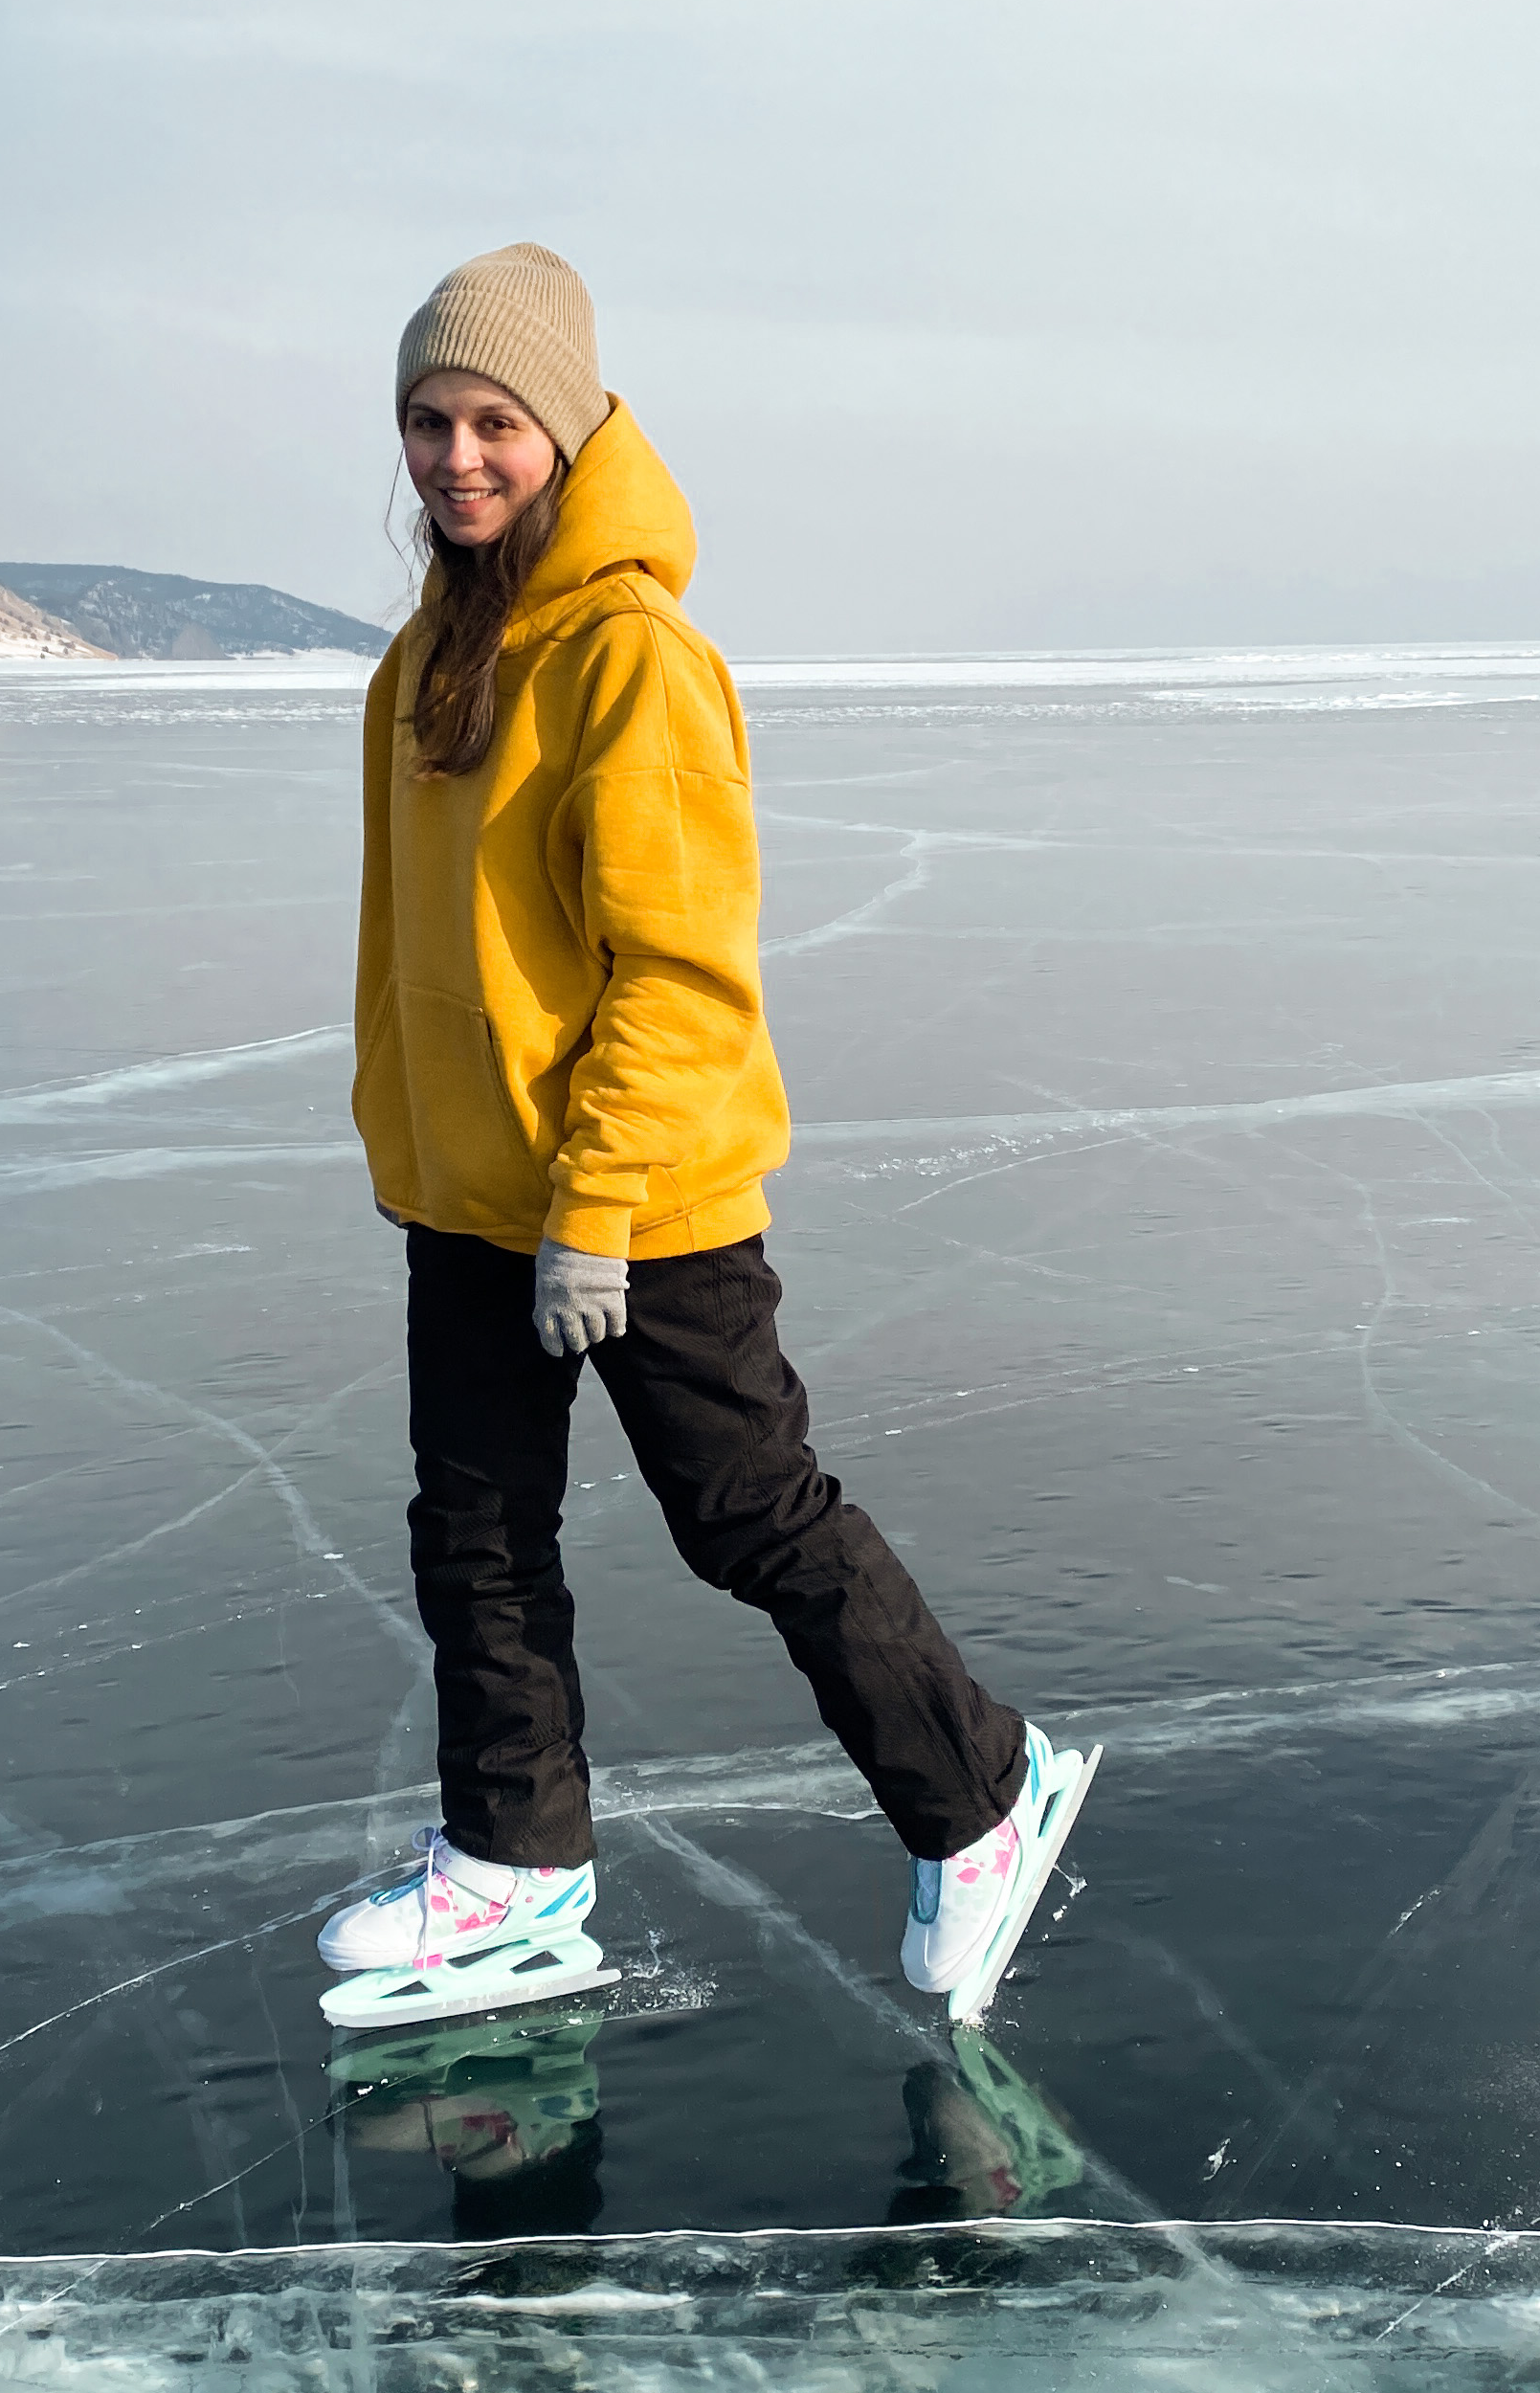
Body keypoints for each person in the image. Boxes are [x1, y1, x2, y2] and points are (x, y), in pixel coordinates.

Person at [316, 242, 1098, 2029]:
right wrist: (423, 1147)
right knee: (478, 1532)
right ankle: (513, 1872)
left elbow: (678, 974)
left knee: (748, 1515)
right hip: (469, 1193)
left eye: (495, 421)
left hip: (632, 1198)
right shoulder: (433, 656)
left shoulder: (634, 661)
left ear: (567, 429)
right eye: (428, 422)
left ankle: (982, 1799)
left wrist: (591, 1205)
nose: (457, 457)